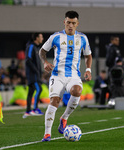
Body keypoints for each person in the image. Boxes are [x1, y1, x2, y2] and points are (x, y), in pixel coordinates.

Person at [39, 10, 92, 142]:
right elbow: (42, 51)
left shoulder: (83, 38)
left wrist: (89, 69)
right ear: (64, 22)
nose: (70, 25)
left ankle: (64, 117)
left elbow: (88, 55)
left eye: (73, 23)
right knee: (54, 101)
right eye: (68, 22)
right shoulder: (55, 37)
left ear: (77, 24)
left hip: (74, 75)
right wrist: (45, 62)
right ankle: (47, 134)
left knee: (77, 91)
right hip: (57, 75)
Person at [23, 33, 44, 118]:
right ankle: (35, 109)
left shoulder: (36, 48)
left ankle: (28, 110)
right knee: (39, 89)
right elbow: (28, 60)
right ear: (36, 38)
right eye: (41, 37)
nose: (42, 38)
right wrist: (35, 70)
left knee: (31, 92)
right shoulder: (31, 46)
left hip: (35, 74)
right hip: (33, 74)